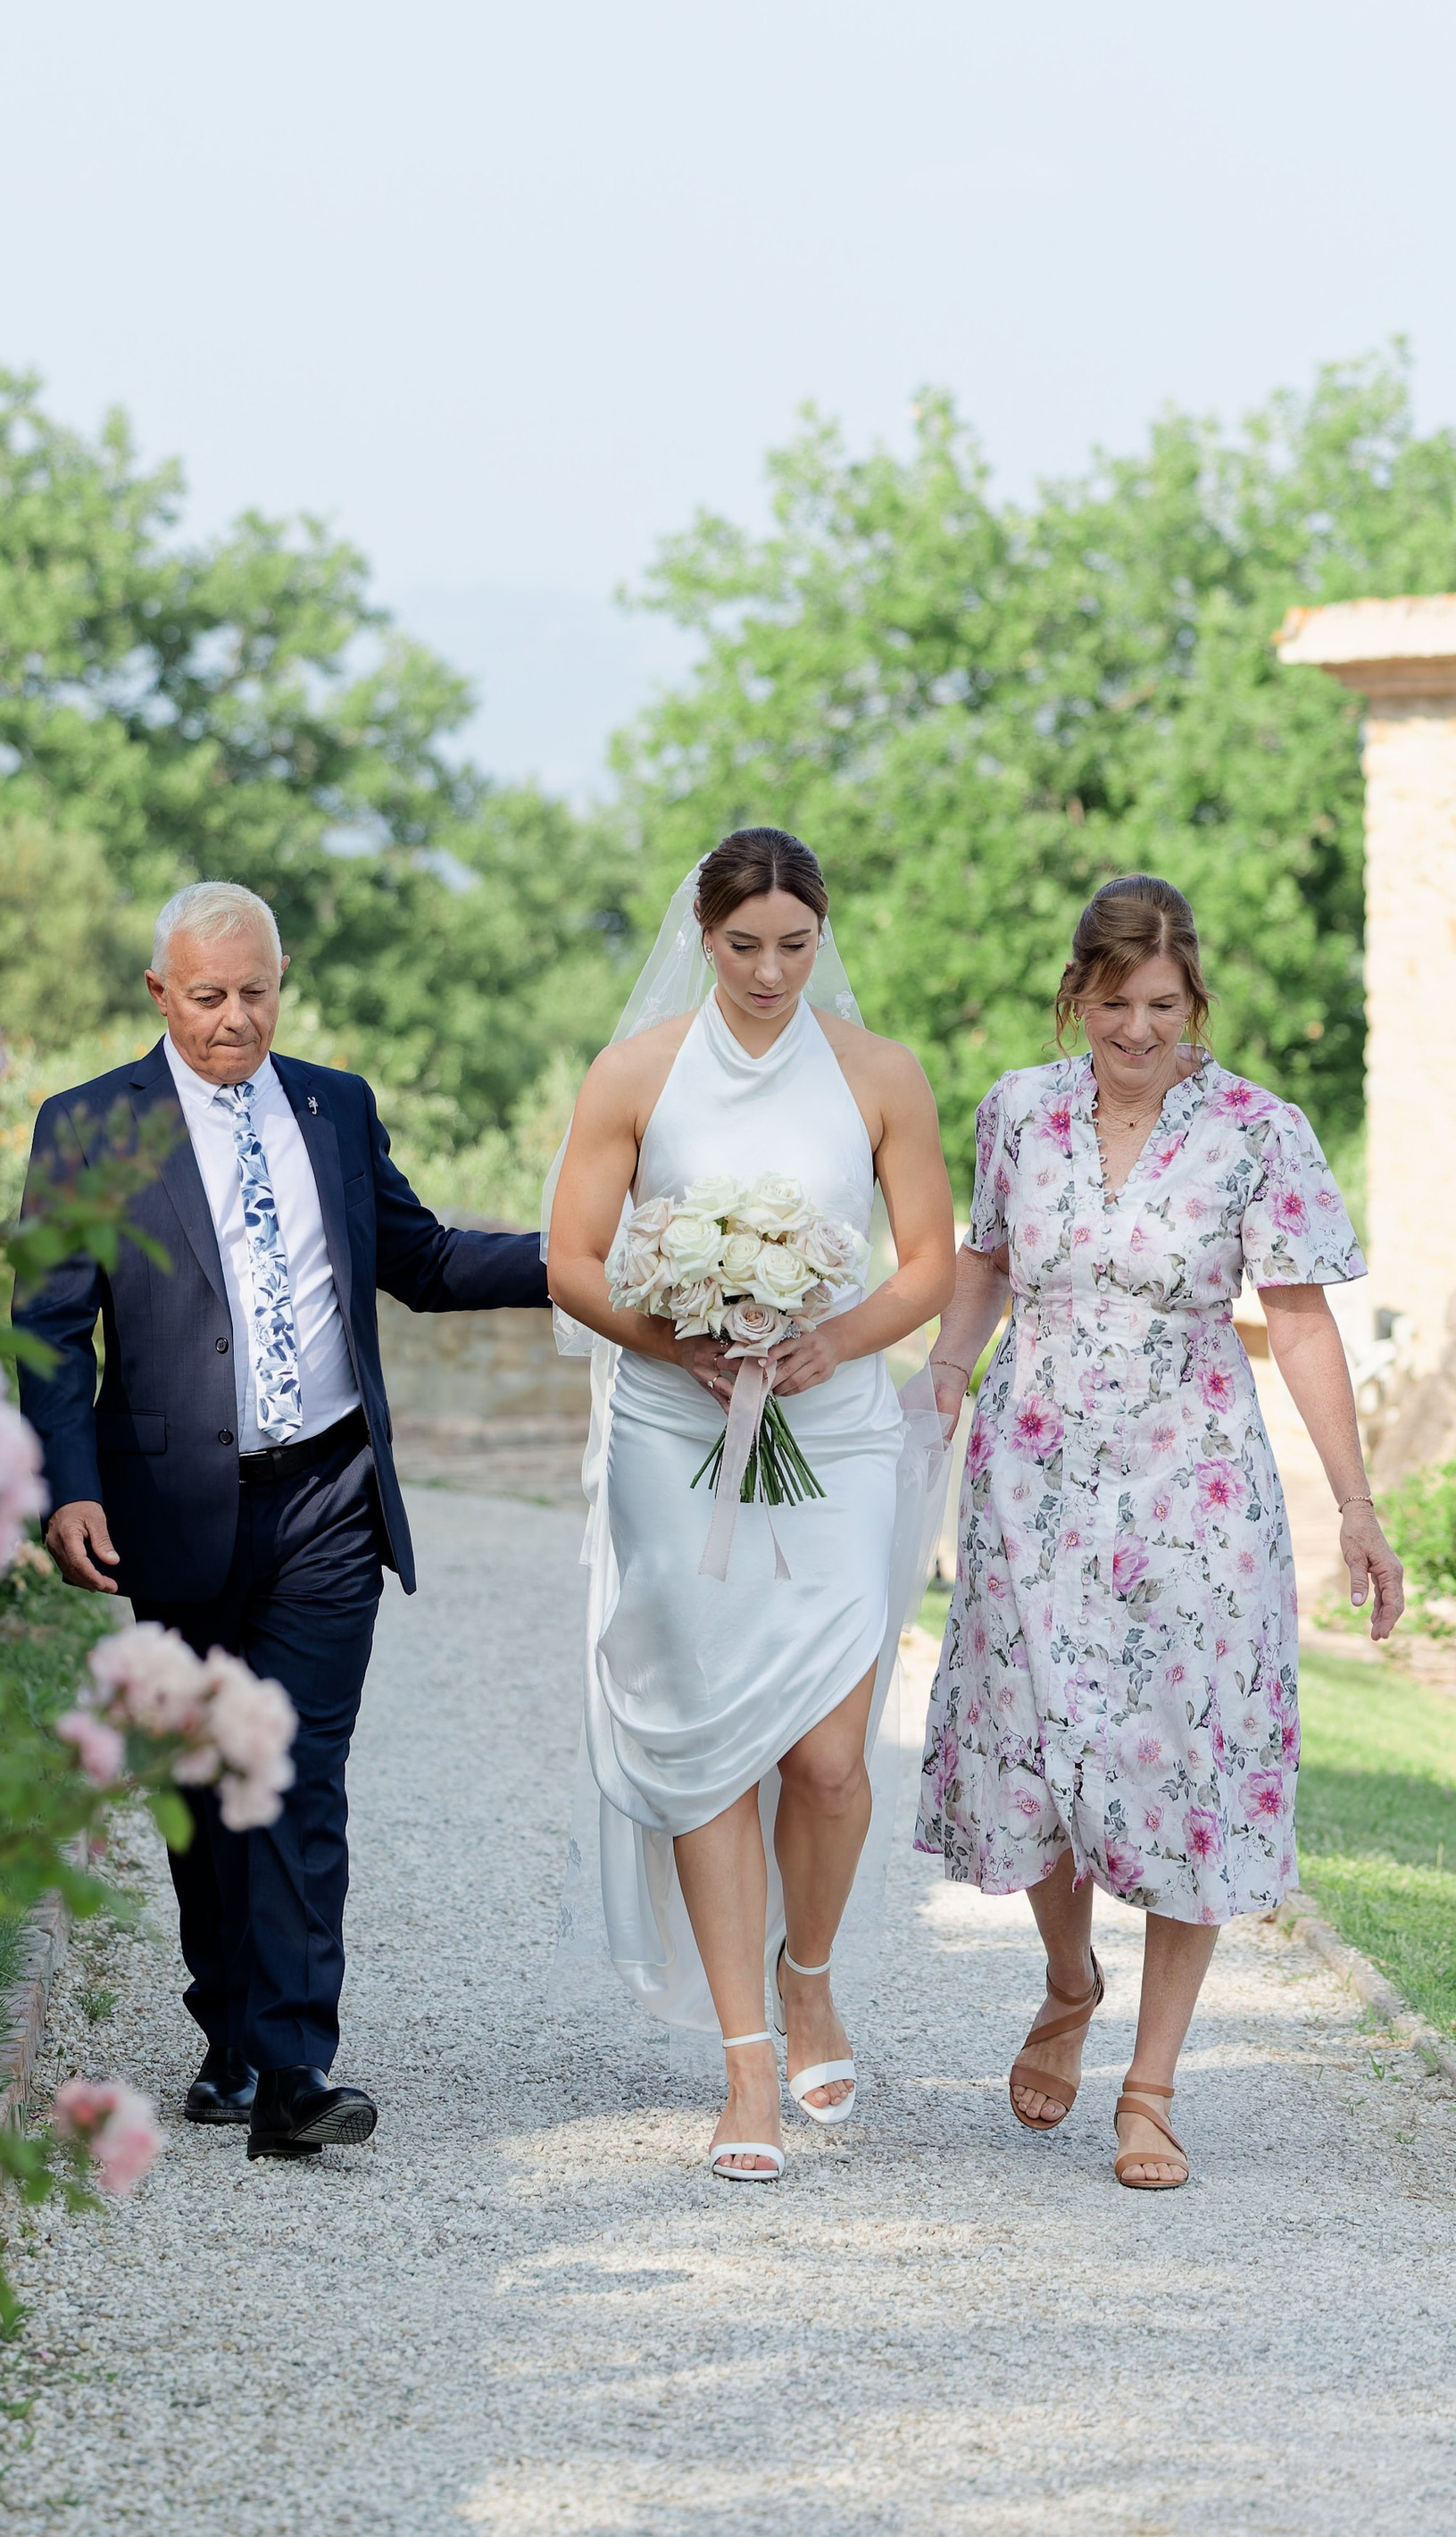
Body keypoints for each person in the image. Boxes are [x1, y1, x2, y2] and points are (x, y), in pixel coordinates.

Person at [12, 880, 549, 2163]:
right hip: (169, 1505)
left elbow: (420, 1262)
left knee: (303, 1773)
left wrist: (583, 1261)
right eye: (208, 996)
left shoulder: (334, 1105)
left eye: (256, 991)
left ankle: (298, 2068)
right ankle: (230, 2032)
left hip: (324, 1493)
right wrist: (67, 1486)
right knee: (204, 1778)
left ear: (281, 980)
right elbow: (46, 1330)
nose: (234, 1018)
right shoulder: (89, 1127)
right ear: (160, 993)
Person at [916, 872, 1402, 2192]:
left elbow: (1297, 1320)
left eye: (1165, 1005)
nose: (1140, 1030)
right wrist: (950, 1375)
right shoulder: (1019, 1108)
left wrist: (1356, 1510)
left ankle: (1151, 2087)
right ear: (1077, 994)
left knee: (1193, 1757)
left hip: (1193, 1489)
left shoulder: (1258, 1129)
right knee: (1040, 1739)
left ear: (1197, 1003)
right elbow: (986, 1259)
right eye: (1116, 1003)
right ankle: (1070, 1978)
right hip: (1032, 1474)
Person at [547, 828, 957, 2183]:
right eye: (745, 946)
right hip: (676, 1430)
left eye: (795, 944)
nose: (771, 972)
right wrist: (680, 1337)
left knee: (832, 1758)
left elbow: (928, 1267)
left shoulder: (881, 1076)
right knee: (712, 1745)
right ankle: (743, 2071)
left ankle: (811, 1969)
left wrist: (829, 1342)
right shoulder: (639, 1074)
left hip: (831, 1431)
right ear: (703, 939)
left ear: (822, 935)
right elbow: (572, 1258)